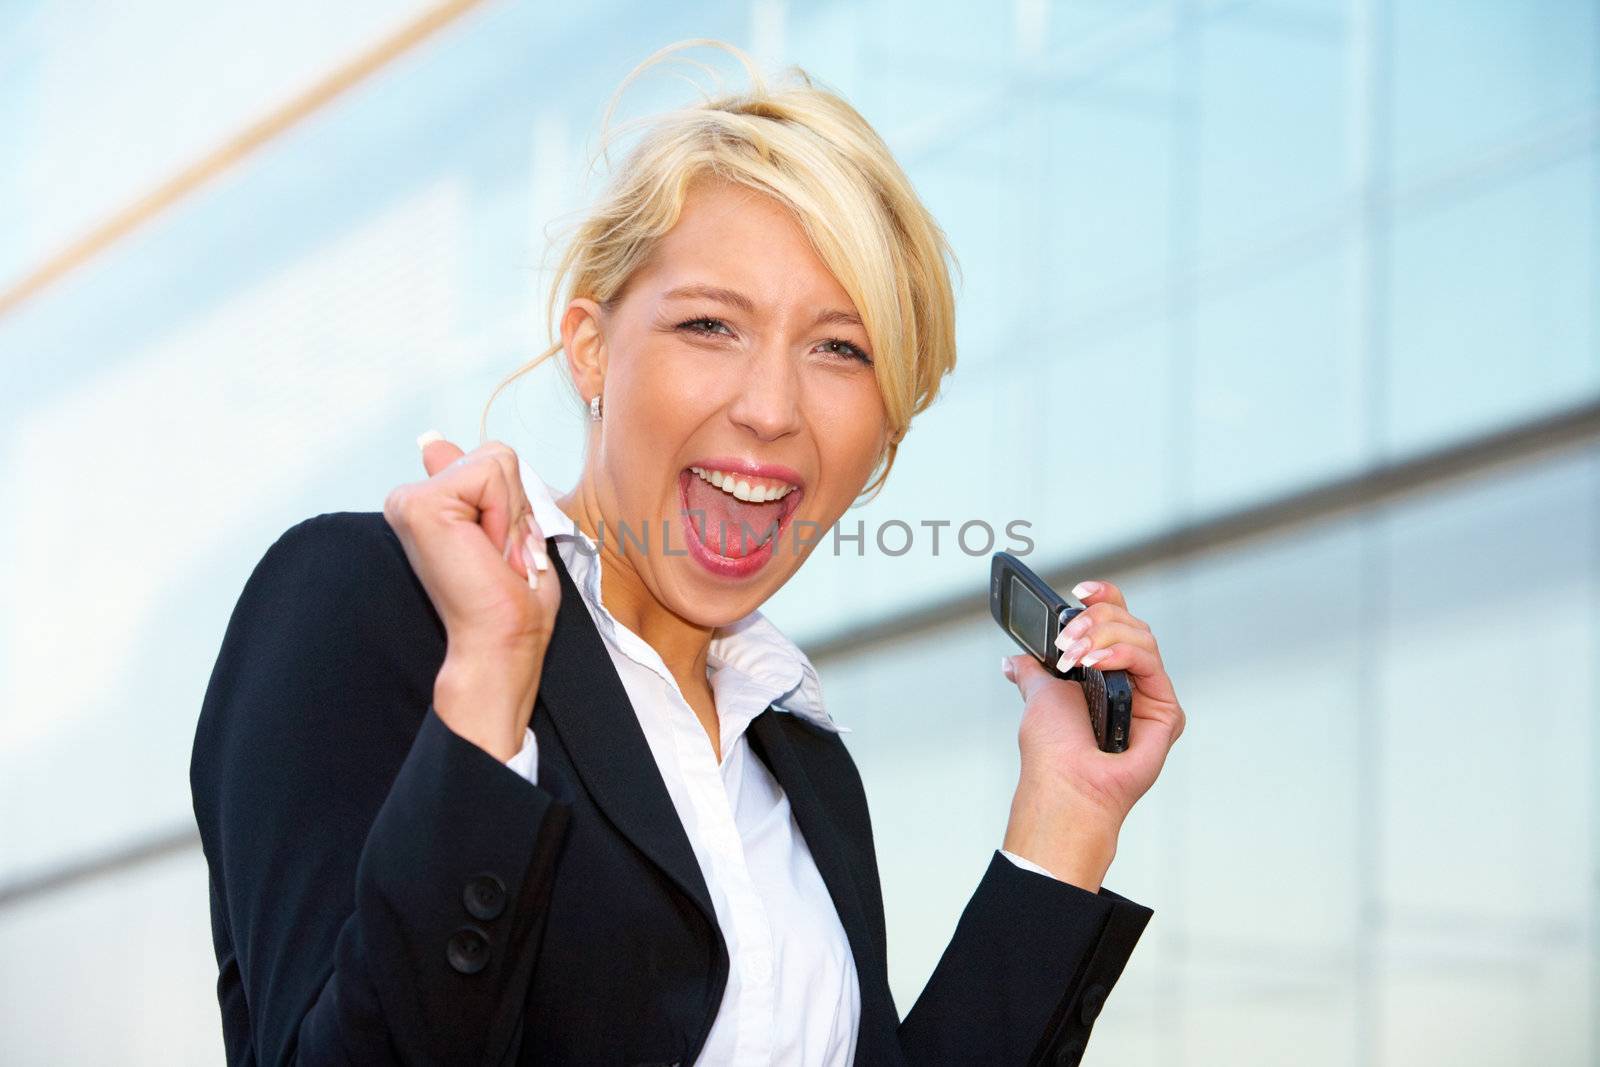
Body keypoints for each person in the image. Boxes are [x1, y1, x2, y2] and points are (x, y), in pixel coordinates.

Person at [189, 39, 1186, 1067]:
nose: (768, 408)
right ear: (590, 346)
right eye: (710, 324)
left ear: (885, 422)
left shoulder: (799, 760)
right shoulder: (372, 605)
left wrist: (1065, 817)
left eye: (840, 348)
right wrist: (488, 690)